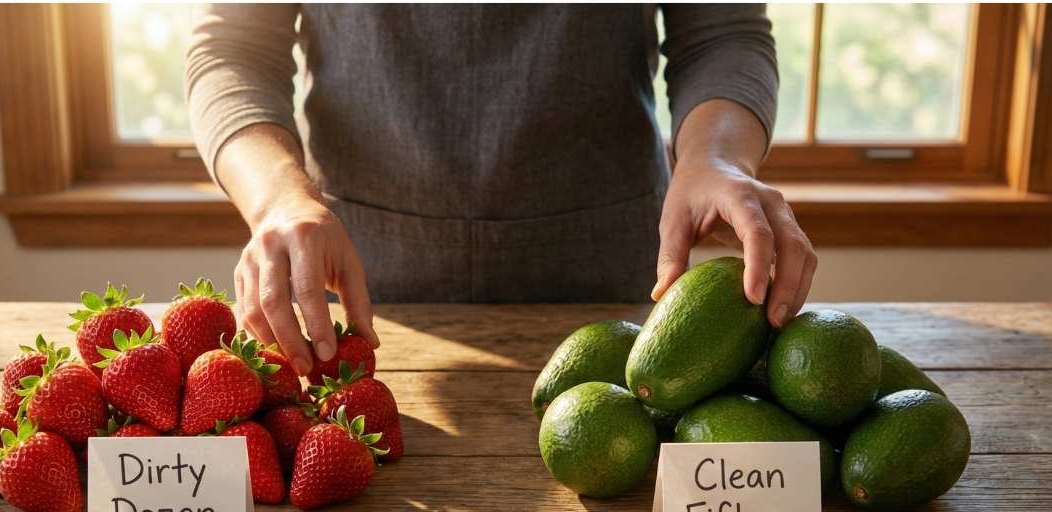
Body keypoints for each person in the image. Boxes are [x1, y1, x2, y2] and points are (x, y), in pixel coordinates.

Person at [186, 4, 817, 378]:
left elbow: (722, 32)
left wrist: (713, 156)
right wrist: (278, 199)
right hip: (361, 292)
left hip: (608, 281)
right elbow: (233, 50)